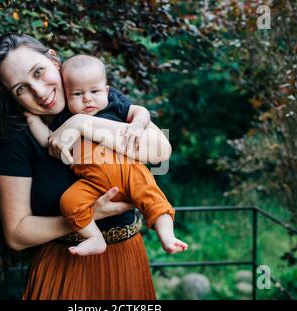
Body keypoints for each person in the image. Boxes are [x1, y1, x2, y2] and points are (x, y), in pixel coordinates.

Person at [0, 33, 173, 299]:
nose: (40, 92)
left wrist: (80, 123)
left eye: (39, 71)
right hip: (64, 265)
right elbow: (17, 234)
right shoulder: (17, 138)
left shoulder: (99, 97)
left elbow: (160, 150)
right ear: (13, 96)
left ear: (54, 60)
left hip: (127, 259)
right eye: (21, 88)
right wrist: (93, 213)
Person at [25, 54, 188, 256]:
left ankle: (167, 236)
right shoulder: (65, 118)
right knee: (69, 203)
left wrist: (137, 125)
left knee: (152, 198)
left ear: (106, 90)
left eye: (94, 91)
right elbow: (49, 142)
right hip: (92, 183)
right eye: (77, 94)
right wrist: (32, 121)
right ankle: (95, 238)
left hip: (129, 171)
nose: (87, 98)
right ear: (66, 97)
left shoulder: (113, 104)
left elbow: (141, 112)